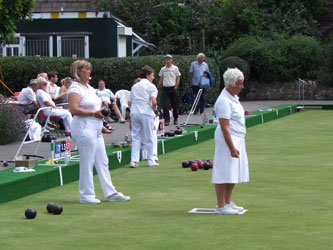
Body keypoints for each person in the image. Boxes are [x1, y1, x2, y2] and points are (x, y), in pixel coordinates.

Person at [67, 60, 130, 204]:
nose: (89, 72)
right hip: (83, 128)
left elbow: (96, 109)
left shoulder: (89, 87)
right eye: (86, 69)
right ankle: (86, 195)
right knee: (87, 161)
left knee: (103, 160)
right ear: (78, 72)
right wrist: (94, 114)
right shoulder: (75, 89)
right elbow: (74, 109)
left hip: (95, 127)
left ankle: (111, 192)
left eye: (89, 69)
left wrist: (100, 122)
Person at [211, 68, 249, 215]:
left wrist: (241, 141)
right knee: (223, 169)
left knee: (232, 171)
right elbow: (224, 127)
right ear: (232, 84)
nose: (242, 86)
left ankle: (227, 202)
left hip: (237, 138)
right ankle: (220, 206)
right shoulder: (224, 101)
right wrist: (232, 147)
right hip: (227, 140)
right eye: (240, 84)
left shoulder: (233, 98)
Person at [128, 66, 159, 168]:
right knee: (149, 137)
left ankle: (134, 161)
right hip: (146, 113)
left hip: (134, 113)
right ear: (147, 75)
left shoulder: (134, 86)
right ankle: (150, 160)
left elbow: (129, 103)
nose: (153, 77)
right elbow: (154, 101)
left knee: (136, 137)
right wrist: (154, 110)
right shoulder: (151, 86)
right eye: (152, 75)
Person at [157, 54, 181, 126]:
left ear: (171, 60)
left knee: (174, 105)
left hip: (172, 88)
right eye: (166, 59)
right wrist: (157, 87)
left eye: (169, 59)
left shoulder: (175, 68)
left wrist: (176, 86)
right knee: (165, 105)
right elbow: (161, 78)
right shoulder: (163, 69)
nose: (167, 61)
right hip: (165, 88)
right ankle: (166, 120)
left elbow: (178, 77)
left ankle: (175, 118)